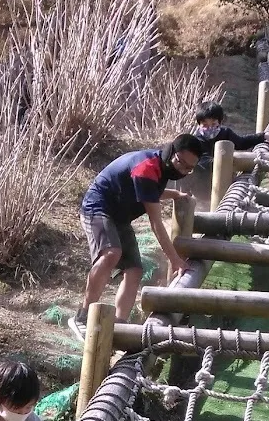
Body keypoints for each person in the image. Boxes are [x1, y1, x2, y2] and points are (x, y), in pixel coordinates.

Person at [69, 133, 204, 341]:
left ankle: (119, 326)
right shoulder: (147, 168)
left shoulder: (160, 167)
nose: (183, 170)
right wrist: (176, 261)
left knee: (134, 270)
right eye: (181, 163)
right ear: (172, 153)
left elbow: (150, 191)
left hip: (120, 217)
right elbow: (156, 224)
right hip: (98, 208)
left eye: (189, 168)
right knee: (111, 253)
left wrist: (175, 195)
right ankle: (82, 316)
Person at [193, 101, 269, 170]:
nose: (210, 128)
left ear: (219, 122)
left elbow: (241, 143)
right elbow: (203, 162)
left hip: (224, 172)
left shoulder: (225, 133)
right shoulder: (196, 140)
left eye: (213, 124)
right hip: (203, 179)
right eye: (205, 125)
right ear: (199, 124)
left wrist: (263, 136)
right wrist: (226, 159)